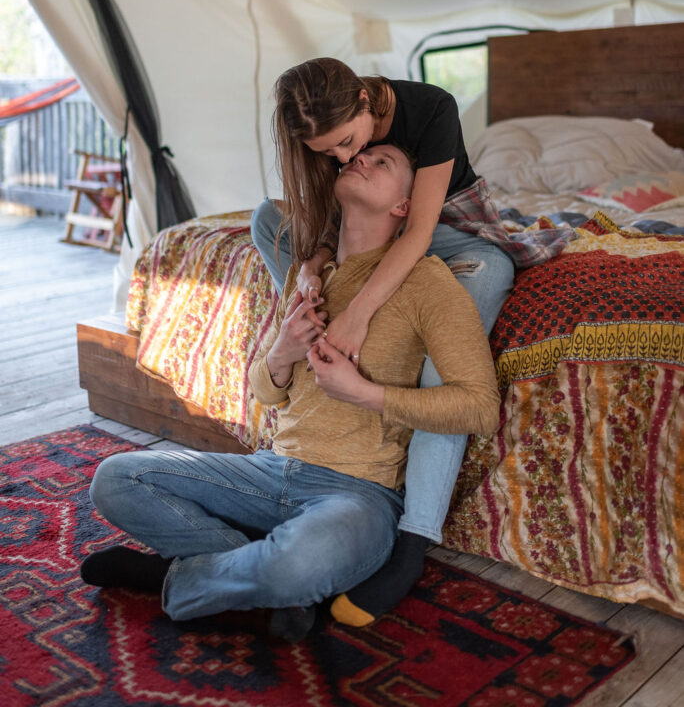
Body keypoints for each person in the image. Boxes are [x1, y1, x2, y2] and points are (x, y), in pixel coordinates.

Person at [81, 144, 500, 640]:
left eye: (381, 163)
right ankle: (268, 578)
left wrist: (364, 392)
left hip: (358, 494)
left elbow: (480, 407)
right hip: (269, 469)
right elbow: (266, 393)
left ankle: (172, 577)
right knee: (114, 479)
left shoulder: (426, 281)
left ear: (404, 207)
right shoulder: (310, 278)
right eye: (357, 158)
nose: (360, 160)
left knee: (297, 564)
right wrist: (280, 352)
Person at [251, 57, 574, 624]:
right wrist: (315, 263)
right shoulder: (330, 137)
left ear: (363, 101)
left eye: (349, 142)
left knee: (476, 308)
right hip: (367, 239)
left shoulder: (431, 108)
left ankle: (411, 542)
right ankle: (314, 333)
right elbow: (330, 217)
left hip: (448, 237)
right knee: (262, 218)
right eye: (329, 154)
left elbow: (417, 231)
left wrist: (357, 314)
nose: (345, 158)